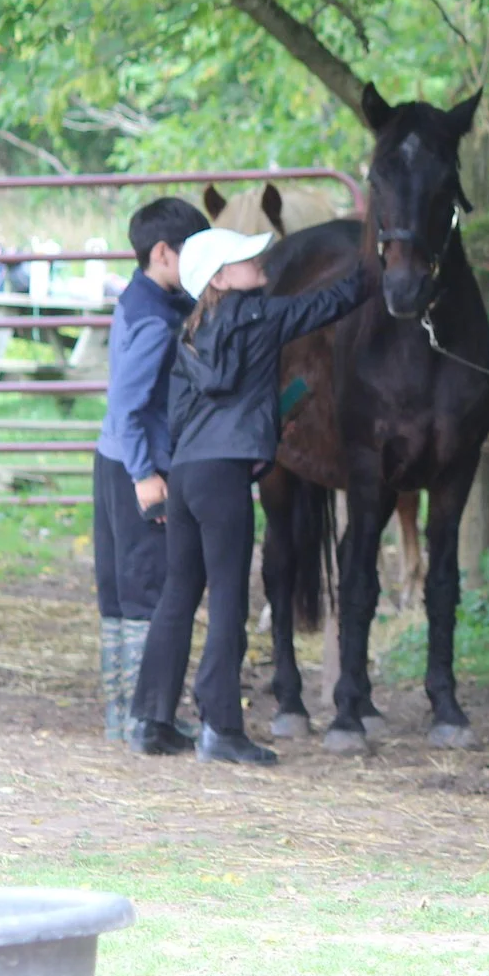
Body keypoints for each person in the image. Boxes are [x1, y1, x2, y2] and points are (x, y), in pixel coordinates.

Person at [130, 229, 372, 765]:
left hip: (188, 472)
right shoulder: (260, 318)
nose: (257, 259)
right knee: (228, 599)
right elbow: (332, 301)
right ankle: (222, 728)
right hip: (223, 475)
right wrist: (372, 259)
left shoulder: (189, 334)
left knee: (180, 592)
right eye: (242, 257)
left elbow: (177, 414)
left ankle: (151, 719)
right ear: (219, 277)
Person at [91, 196, 209, 741]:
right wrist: (145, 477)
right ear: (163, 253)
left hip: (111, 457)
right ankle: (146, 719)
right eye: (194, 254)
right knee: (149, 592)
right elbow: (129, 401)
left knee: (120, 595)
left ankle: (123, 716)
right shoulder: (160, 321)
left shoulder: (135, 298)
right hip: (138, 466)